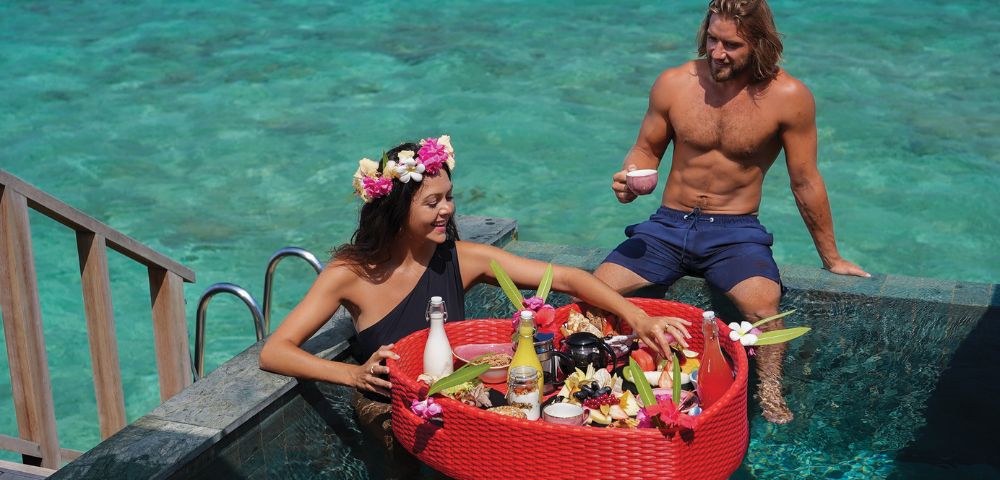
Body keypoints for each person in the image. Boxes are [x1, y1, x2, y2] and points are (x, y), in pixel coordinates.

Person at [259, 135, 691, 478]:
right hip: (392, 408)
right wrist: (352, 374)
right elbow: (276, 350)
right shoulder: (349, 273)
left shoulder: (459, 258)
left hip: (462, 400)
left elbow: (568, 278)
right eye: (432, 202)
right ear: (395, 209)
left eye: (449, 197)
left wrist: (639, 317)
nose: (447, 209)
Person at [595, 0, 870, 424]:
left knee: (767, 309)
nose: (718, 53)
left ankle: (771, 391)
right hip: (668, 224)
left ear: (761, 44)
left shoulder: (789, 97)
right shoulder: (674, 82)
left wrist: (831, 258)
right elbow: (647, 148)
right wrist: (630, 176)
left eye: (732, 45)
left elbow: (805, 182)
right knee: (595, 291)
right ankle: (608, 377)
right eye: (712, 39)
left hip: (734, 231)